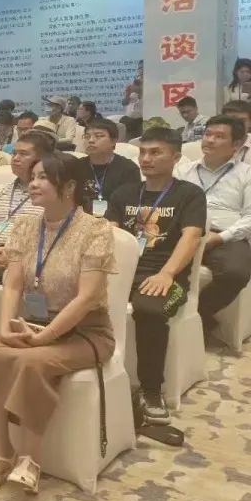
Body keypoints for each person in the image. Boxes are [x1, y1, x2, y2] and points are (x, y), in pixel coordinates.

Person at [0, 153, 115, 495]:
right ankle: (1, 453)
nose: (33, 183)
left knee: (32, 363)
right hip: (34, 324)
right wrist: (6, 327)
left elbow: (86, 298)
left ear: (69, 186)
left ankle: (30, 459)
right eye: (32, 176)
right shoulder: (25, 226)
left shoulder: (95, 230)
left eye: (43, 178)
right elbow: (13, 284)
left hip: (85, 332)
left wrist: (47, 337)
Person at [105, 127, 206, 425]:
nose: (146, 159)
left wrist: (167, 273)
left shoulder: (189, 195)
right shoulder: (124, 193)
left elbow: (191, 237)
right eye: (143, 152)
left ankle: (151, 389)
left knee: (149, 310)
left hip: (167, 277)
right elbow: (108, 235)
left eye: (155, 152)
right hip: (122, 272)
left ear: (175, 157)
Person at [174, 115, 251, 333]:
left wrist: (220, 237)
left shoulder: (246, 174)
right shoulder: (183, 170)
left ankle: (198, 317)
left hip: (225, 236)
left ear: (237, 144)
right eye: (208, 134)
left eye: (219, 136)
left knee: (235, 273)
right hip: (184, 232)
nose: (209, 140)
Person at [0, 131, 51, 282]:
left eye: (23, 154)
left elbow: (50, 239)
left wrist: (14, 257)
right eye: (14, 153)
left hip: (28, 259)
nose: (15, 158)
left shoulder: (49, 195)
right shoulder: (0, 190)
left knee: (12, 275)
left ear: (41, 160)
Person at [79, 118, 141, 215]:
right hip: (81, 219)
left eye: (98, 136)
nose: (91, 140)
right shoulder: (76, 166)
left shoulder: (128, 169)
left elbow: (127, 206)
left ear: (113, 141)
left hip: (116, 220)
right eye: (87, 136)